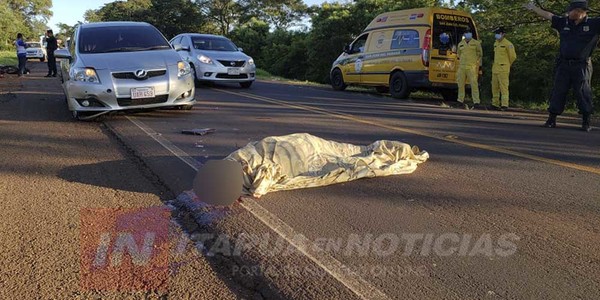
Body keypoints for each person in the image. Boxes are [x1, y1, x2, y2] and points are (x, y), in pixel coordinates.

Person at [525, 0, 596, 132]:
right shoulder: (564, 22)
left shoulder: (594, 24)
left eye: (572, 11)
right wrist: (533, 8)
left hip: (582, 65)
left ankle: (586, 122)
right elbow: (548, 15)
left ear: (581, 12)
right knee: (558, 90)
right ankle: (551, 119)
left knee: (583, 92)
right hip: (564, 64)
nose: (569, 13)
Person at [456, 28, 483, 109]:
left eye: (469, 33)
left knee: (474, 84)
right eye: (466, 33)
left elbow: (480, 54)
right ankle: (460, 100)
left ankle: (476, 102)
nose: (468, 34)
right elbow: (458, 54)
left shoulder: (476, 43)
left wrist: (475, 62)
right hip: (462, 67)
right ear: (464, 34)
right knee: (460, 84)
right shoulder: (461, 44)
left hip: (471, 67)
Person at [491, 27, 517, 111]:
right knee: (494, 87)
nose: (496, 35)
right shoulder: (495, 43)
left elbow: (513, 56)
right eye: (496, 33)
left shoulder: (508, 44)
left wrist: (507, 64)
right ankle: (495, 104)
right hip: (495, 68)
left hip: (503, 68)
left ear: (503, 34)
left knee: (503, 87)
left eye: (498, 33)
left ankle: (504, 104)